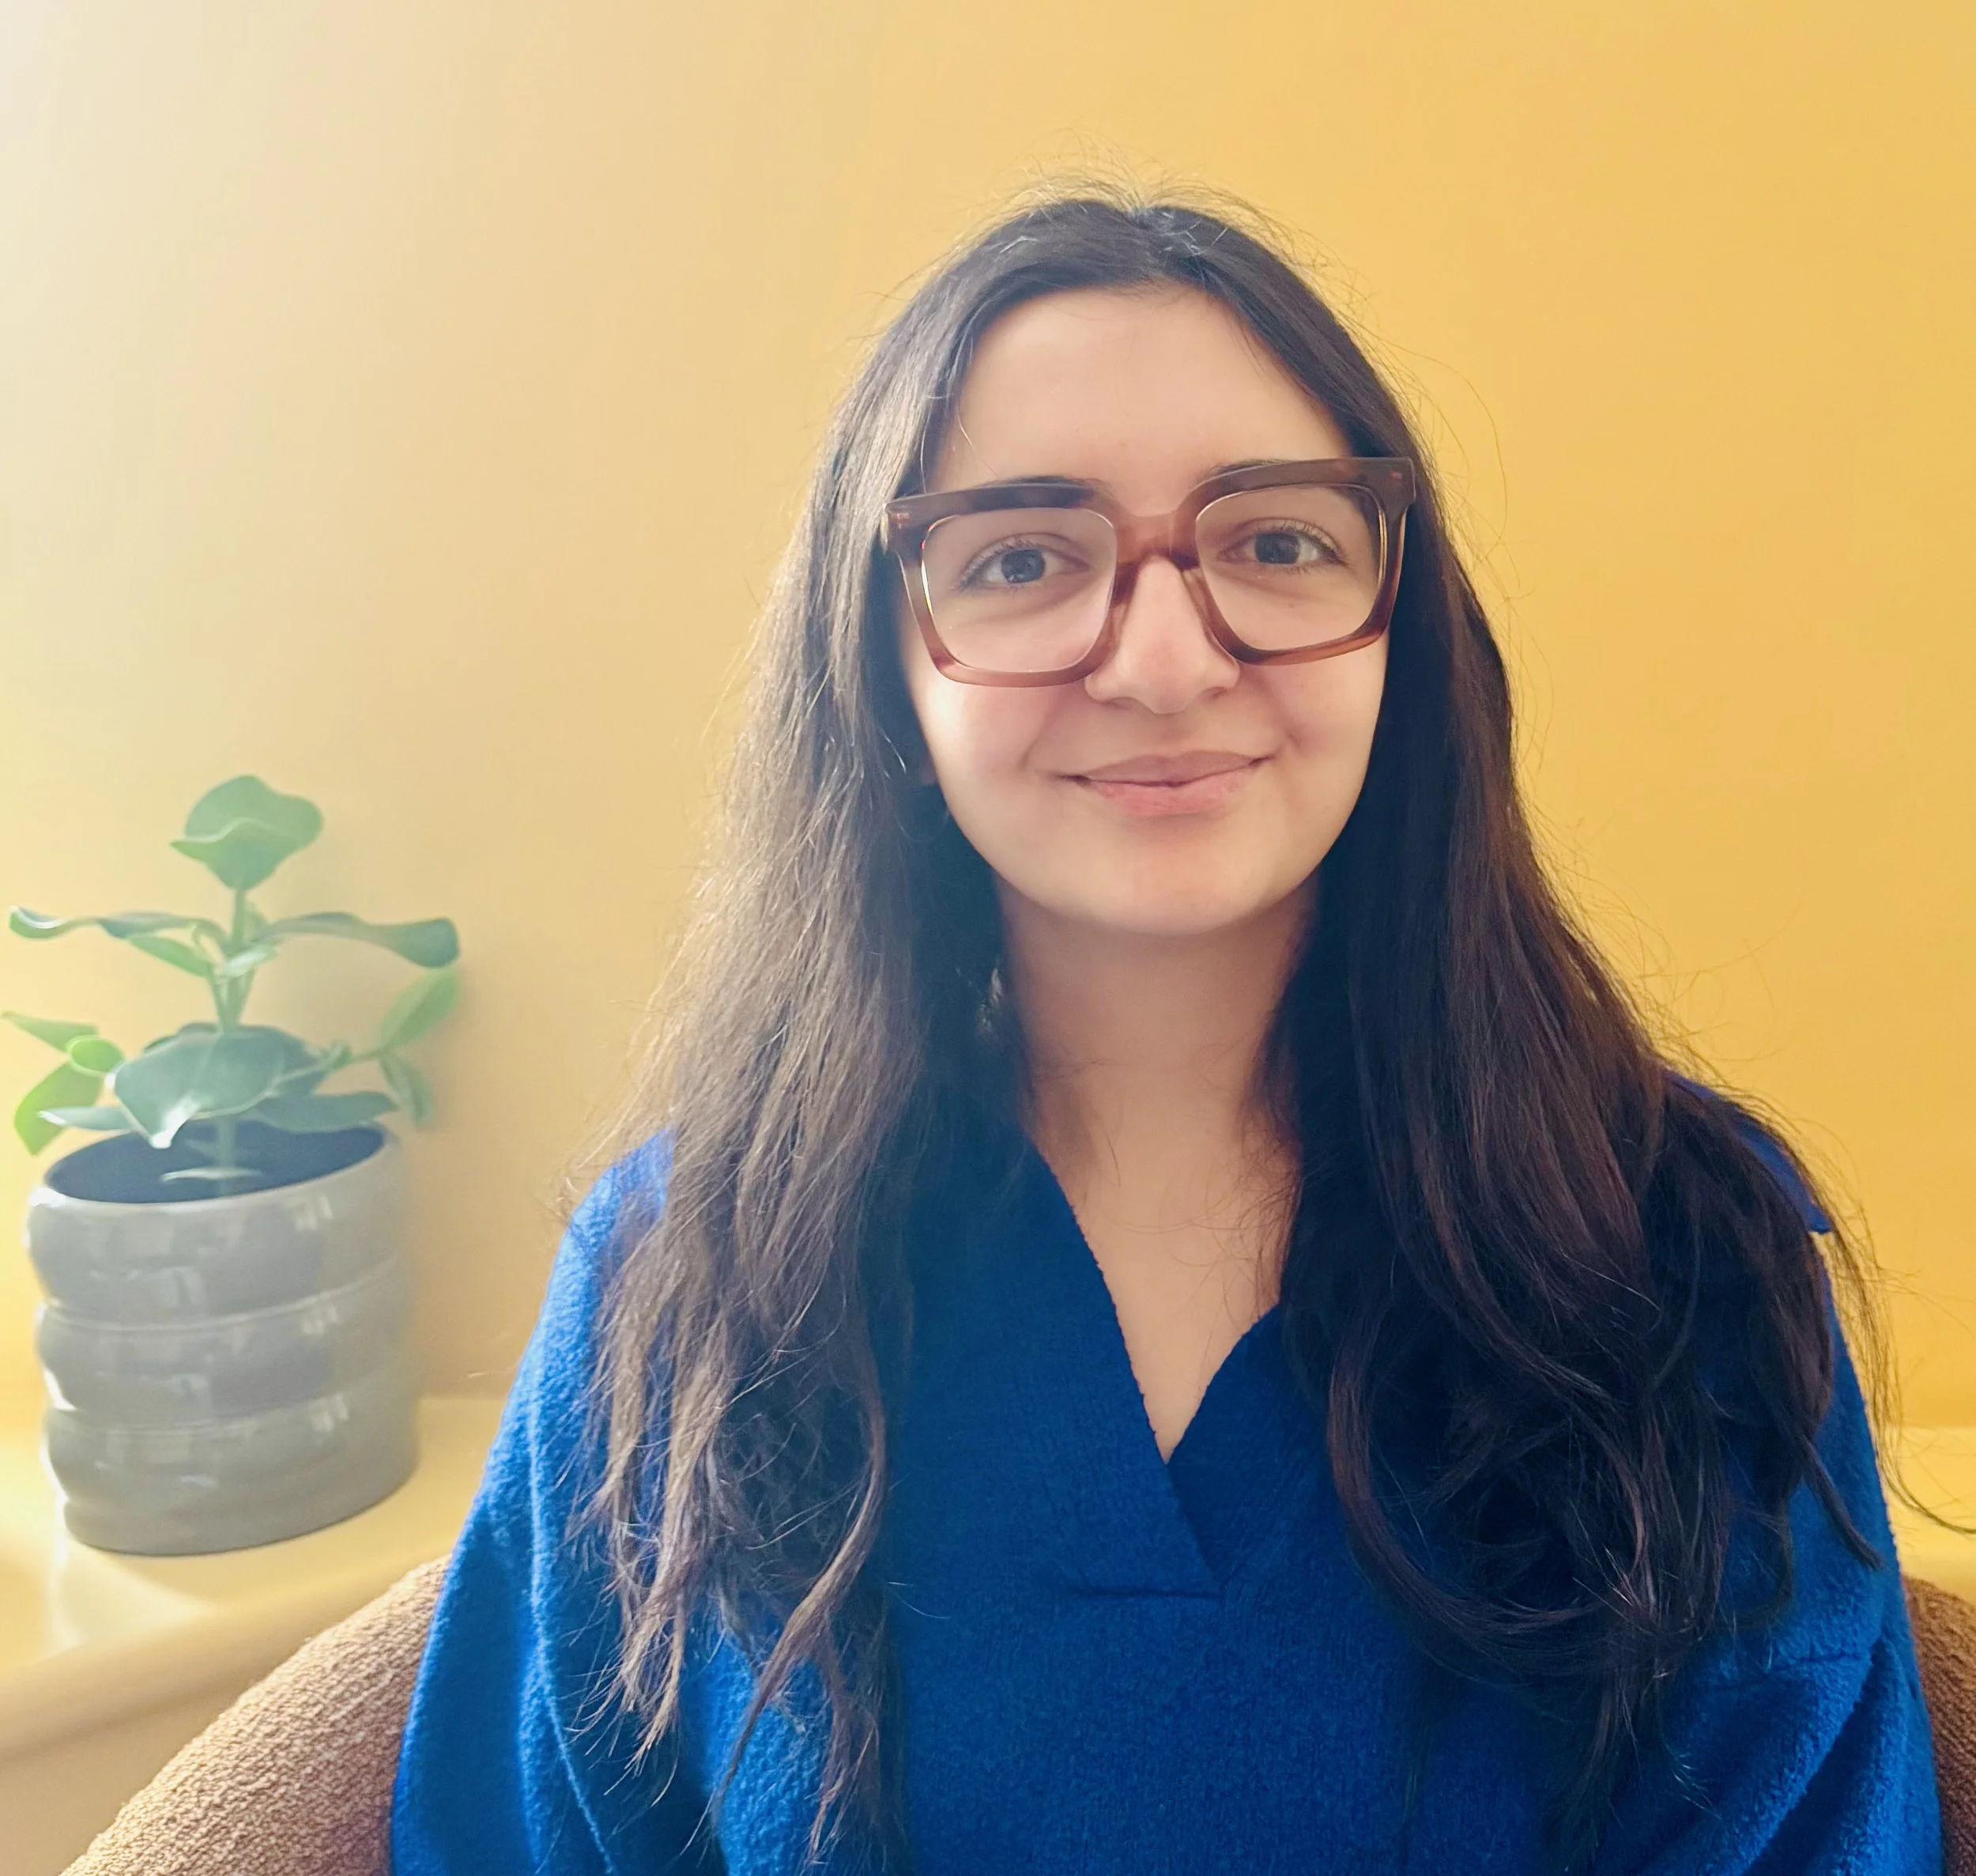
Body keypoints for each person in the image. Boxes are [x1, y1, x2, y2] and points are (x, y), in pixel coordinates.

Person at [389, 192, 1940, 1874]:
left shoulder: (1679, 1253)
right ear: (885, 681)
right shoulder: (674, 1284)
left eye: (1272, 542)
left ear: (1397, 643)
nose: (1157, 656)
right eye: (1020, 559)